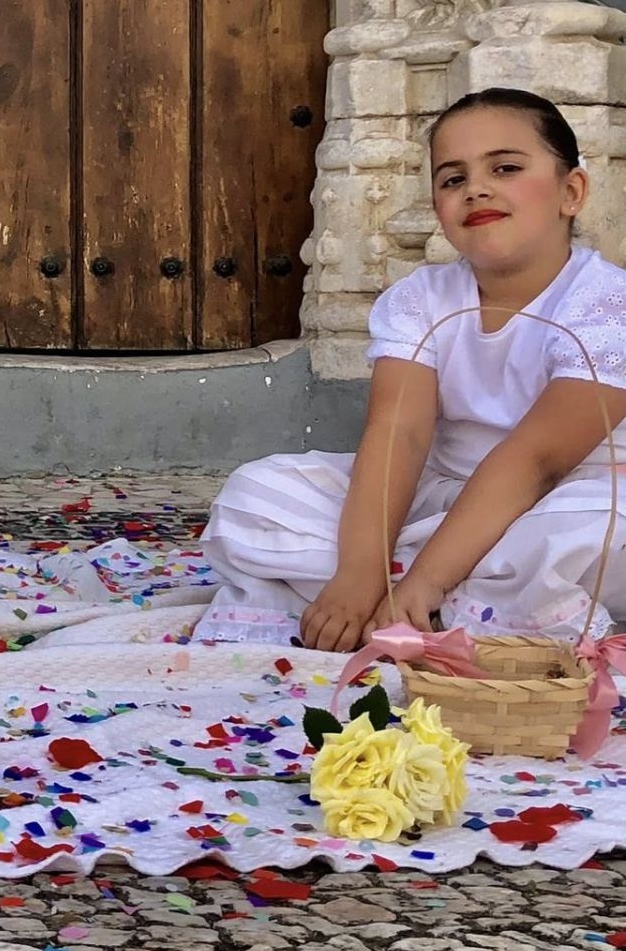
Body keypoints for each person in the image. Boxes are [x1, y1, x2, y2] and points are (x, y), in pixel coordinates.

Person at [196, 87, 626, 651]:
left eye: (505, 168)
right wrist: (360, 571)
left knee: (583, 533)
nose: (476, 188)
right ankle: (452, 604)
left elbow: (538, 461)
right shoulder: (419, 299)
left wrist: (425, 579)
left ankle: (426, 595)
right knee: (256, 496)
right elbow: (399, 433)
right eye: (452, 179)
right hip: (442, 499)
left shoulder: (608, 304)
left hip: (565, 497)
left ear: (571, 191)